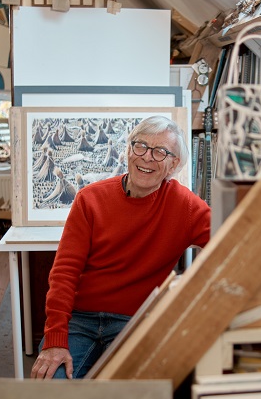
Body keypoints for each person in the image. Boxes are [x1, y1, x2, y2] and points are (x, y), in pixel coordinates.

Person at [31, 115, 211, 380]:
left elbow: (230, 241)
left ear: (173, 165)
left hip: (135, 321)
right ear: (128, 151)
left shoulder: (186, 207)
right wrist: (55, 338)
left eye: (160, 152)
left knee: (134, 395)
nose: (147, 157)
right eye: (141, 146)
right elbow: (64, 272)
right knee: (50, 388)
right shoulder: (90, 199)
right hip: (78, 320)